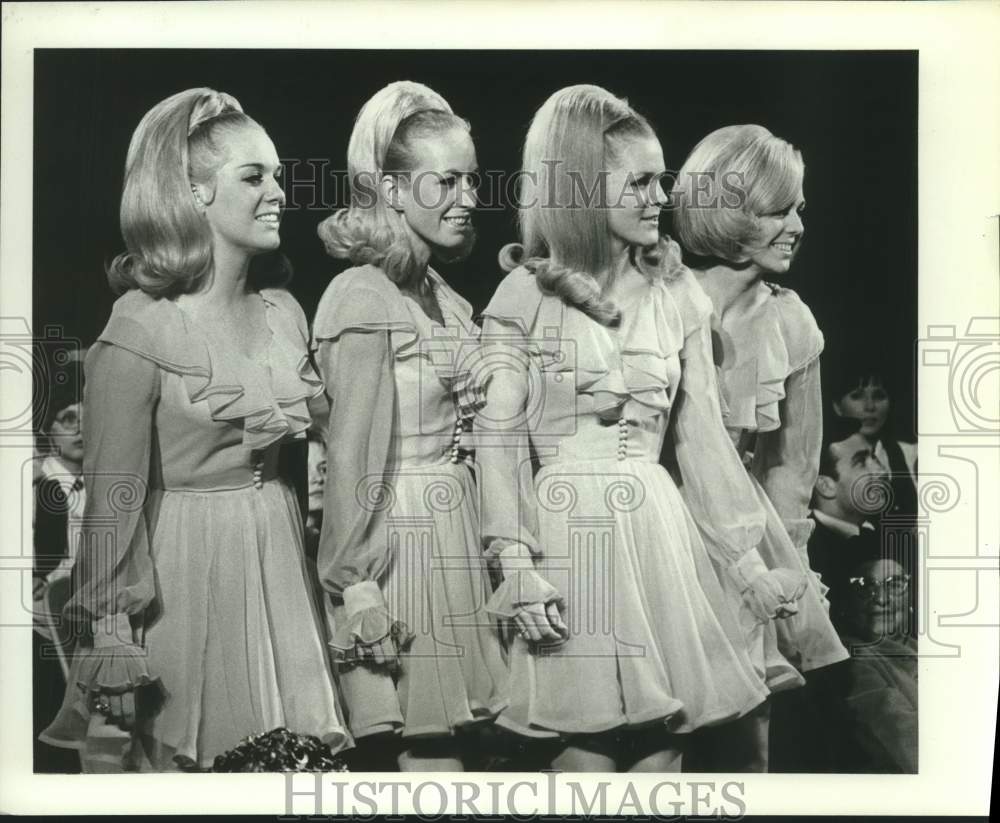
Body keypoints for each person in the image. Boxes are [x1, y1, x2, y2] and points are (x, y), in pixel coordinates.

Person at [474, 85, 809, 773]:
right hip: (571, 540)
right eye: (641, 182)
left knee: (662, 758)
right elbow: (498, 438)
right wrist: (515, 561)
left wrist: (746, 563)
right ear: (580, 191)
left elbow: (702, 439)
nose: (661, 197)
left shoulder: (678, 294)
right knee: (583, 758)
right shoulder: (524, 295)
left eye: (662, 180)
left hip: (658, 534)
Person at [40, 88, 348, 771]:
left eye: (277, 174)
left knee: (291, 766)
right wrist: (112, 629)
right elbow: (115, 495)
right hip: (181, 573)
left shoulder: (285, 312)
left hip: (277, 562)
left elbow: (293, 473)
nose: (278, 193)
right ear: (193, 192)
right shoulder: (141, 325)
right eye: (253, 176)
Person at [313, 81, 507, 772]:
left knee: (456, 750)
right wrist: (358, 583)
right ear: (391, 191)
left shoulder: (446, 297)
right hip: (399, 542)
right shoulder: (361, 296)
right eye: (447, 180)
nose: (468, 197)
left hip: (454, 526)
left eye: (472, 179)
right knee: (427, 752)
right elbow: (352, 457)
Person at [671, 124, 849, 770]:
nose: (798, 224)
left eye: (799, 207)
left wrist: (791, 571)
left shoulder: (792, 322)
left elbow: (792, 471)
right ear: (731, 211)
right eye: (780, 209)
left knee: (747, 741)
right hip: (664, 532)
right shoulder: (664, 301)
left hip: (748, 544)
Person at [32, 359, 86, 773]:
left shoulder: (102, 485)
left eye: (88, 418)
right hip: (43, 626)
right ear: (47, 430)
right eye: (69, 419)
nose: (81, 428)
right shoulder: (34, 489)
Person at [826, 355, 918, 522]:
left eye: (878, 396)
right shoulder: (826, 458)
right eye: (857, 396)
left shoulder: (910, 455)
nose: (869, 406)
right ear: (837, 406)